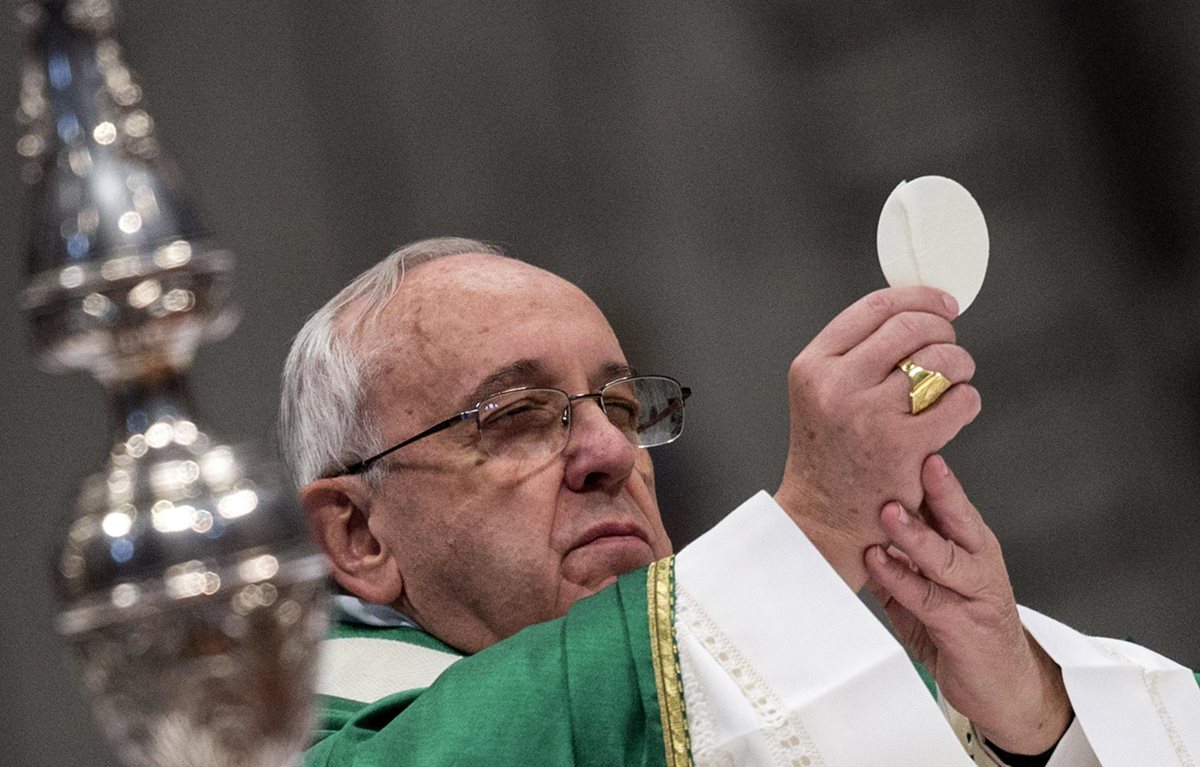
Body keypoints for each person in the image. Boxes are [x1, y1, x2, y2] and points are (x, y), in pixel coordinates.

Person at [279, 237, 1199, 766]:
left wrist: (1031, 720)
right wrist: (814, 525)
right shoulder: (277, 739)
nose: (611, 452)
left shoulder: (812, 683)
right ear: (359, 535)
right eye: (518, 415)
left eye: (622, 407)